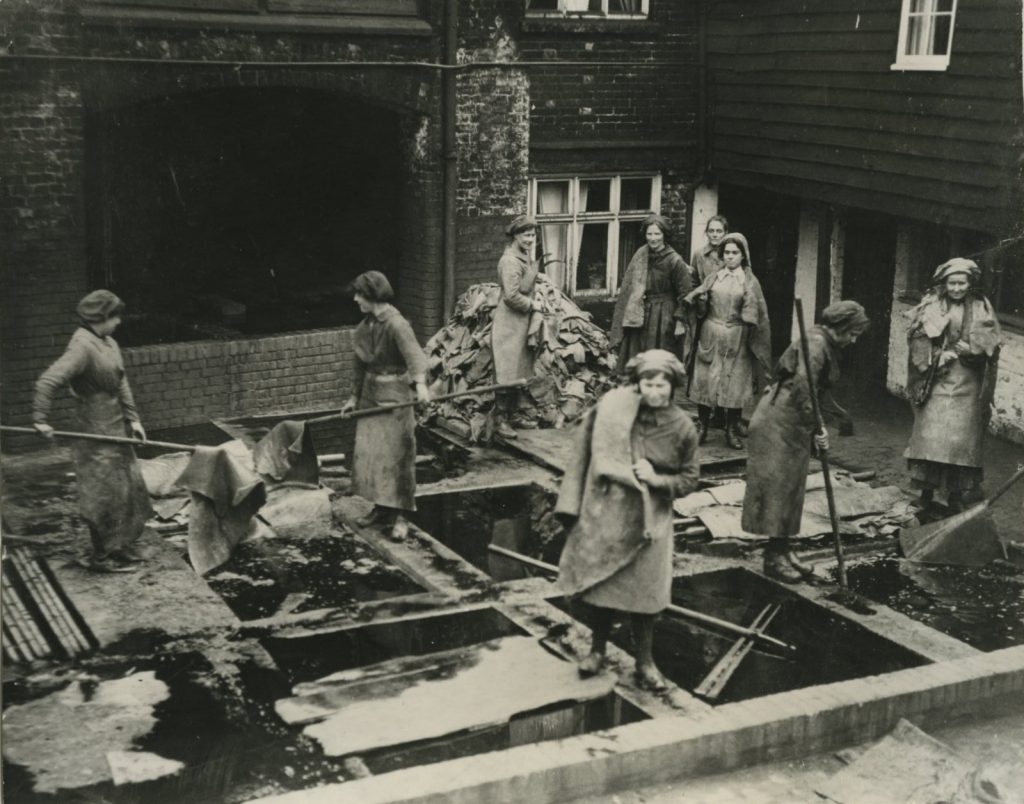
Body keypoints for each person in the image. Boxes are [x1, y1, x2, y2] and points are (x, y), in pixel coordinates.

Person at [556, 349, 700, 691]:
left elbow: (690, 479)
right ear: (638, 384)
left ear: (673, 387)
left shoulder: (682, 428)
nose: (654, 392)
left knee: (646, 596)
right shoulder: (618, 412)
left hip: (652, 522)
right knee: (603, 584)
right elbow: (592, 449)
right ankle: (597, 650)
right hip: (614, 514)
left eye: (661, 385)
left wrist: (657, 479)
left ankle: (645, 662)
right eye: (648, 384)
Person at [742, 301, 871, 583]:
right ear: (842, 328)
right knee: (779, 488)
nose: (855, 339)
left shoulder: (825, 342)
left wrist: (821, 425)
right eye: (853, 333)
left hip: (793, 418)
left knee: (791, 489)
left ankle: (784, 550)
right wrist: (817, 429)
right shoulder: (815, 344)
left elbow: (816, 393)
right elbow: (803, 390)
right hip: (780, 418)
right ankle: (773, 559)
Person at [33, 290, 154, 572]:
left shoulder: (108, 342)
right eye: (115, 317)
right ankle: (102, 557)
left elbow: (121, 382)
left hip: (116, 426)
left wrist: (134, 420)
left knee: (127, 489)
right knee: (103, 494)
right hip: (93, 429)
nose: (119, 323)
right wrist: (40, 419)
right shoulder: (82, 346)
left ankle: (121, 547)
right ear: (102, 318)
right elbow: (47, 381)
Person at [904, 258, 1002, 513]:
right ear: (944, 283)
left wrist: (974, 350)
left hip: (968, 381)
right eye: (952, 283)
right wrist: (937, 355)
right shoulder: (931, 305)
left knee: (961, 441)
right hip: (937, 379)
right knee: (931, 436)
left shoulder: (981, 307)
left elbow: (992, 346)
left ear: (970, 284)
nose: (957, 288)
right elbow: (917, 338)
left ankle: (956, 495)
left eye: (962, 283)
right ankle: (926, 493)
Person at [341, 271, 430, 540]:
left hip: (395, 399)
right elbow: (359, 364)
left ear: (373, 296)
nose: (356, 299)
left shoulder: (397, 324)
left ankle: (401, 515)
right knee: (372, 456)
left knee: (397, 458)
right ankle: (381, 509)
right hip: (370, 397)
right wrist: (353, 398)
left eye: (360, 295)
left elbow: (415, 356)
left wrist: (421, 386)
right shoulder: (365, 326)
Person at [683, 232, 771, 449]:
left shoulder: (750, 281)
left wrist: (749, 322)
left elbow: (758, 314)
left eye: (735, 253)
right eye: (726, 253)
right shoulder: (713, 277)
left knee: (735, 383)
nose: (730, 257)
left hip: (737, 337)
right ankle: (702, 427)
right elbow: (699, 310)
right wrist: (700, 303)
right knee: (706, 380)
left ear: (743, 256)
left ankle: (731, 430)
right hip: (710, 333)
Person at [609, 214, 694, 370]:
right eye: (649, 234)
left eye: (657, 234)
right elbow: (630, 285)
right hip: (640, 311)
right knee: (636, 355)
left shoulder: (674, 260)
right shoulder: (641, 254)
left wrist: (680, 322)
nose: (653, 238)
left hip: (664, 315)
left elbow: (685, 293)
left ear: (664, 235)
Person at [491, 214, 543, 439]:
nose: (530, 239)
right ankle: (500, 421)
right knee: (506, 371)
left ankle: (513, 415)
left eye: (533, 235)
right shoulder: (510, 261)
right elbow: (511, 296)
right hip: (509, 324)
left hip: (521, 322)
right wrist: (533, 304)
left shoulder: (523, 256)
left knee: (518, 369)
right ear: (515, 236)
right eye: (526, 235)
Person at [690, 214, 729, 283]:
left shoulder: (730, 253)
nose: (714, 235)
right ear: (707, 233)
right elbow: (693, 281)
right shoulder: (698, 254)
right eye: (711, 231)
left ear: (725, 233)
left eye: (719, 231)